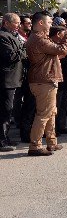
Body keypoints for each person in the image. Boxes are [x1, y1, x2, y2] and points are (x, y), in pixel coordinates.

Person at [25, 12, 67, 156]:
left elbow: (57, 53)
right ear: (40, 23)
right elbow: (61, 49)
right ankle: (35, 145)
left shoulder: (39, 38)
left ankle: (51, 142)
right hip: (43, 81)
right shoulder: (39, 39)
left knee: (51, 112)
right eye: (49, 22)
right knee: (43, 114)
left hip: (45, 79)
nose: (51, 24)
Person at [0, 13, 26, 152]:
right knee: (5, 110)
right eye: (16, 23)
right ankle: (1, 140)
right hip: (6, 80)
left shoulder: (12, 36)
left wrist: (21, 50)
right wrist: (24, 49)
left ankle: (5, 137)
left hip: (13, 79)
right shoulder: (3, 36)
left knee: (8, 110)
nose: (18, 25)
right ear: (6, 23)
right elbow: (11, 56)